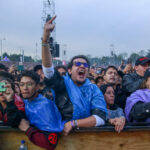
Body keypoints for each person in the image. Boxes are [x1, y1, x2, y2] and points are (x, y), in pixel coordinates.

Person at [42, 16, 107, 136]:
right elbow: (48, 71)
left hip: (87, 138)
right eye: (78, 64)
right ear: (70, 70)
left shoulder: (93, 90)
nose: (82, 66)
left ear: (88, 71)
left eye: (85, 65)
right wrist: (45, 40)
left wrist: (73, 123)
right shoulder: (62, 84)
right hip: (61, 137)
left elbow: (100, 118)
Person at [18, 70, 65, 150]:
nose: (25, 88)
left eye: (29, 84)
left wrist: (27, 129)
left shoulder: (45, 106)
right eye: (22, 84)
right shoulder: (23, 102)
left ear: (37, 87)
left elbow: (50, 143)